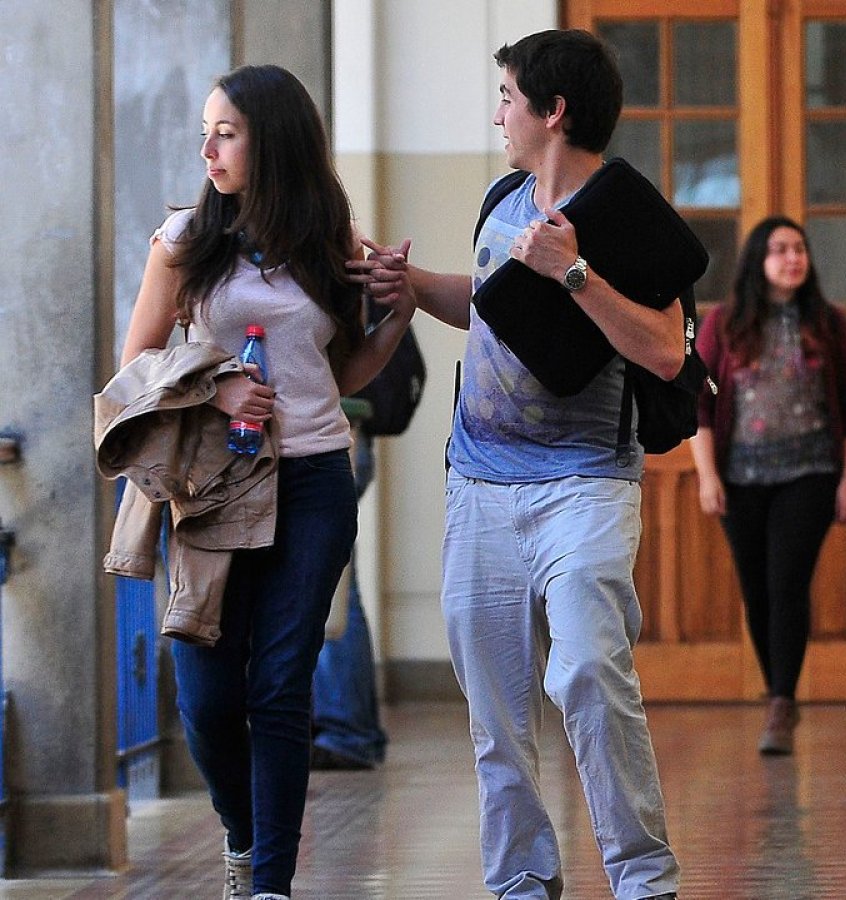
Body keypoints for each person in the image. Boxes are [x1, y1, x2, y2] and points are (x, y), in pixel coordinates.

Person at [349, 29, 680, 900]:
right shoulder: (504, 196)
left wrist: (576, 274)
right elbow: (492, 306)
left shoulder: (624, 218)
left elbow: (667, 351)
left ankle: (644, 879)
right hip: (481, 488)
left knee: (586, 673)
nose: (498, 112)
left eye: (506, 96)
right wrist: (412, 285)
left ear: (552, 109)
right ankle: (522, 882)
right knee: (496, 715)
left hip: (586, 486)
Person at [117, 65, 415, 900]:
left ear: (272, 140)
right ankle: (244, 838)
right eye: (206, 132)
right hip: (213, 485)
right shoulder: (184, 241)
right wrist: (214, 387)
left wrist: (397, 312)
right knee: (207, 699)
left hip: (315, 476)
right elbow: (136, 364)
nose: (207, 148)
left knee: (281, 685)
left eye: (227, 132)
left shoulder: (329, 238)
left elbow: (346, 365)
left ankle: (273, 885)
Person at [688, 216, 846, 755]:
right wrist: (707, 476)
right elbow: (698, 401)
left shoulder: (828, 322)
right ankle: (777, 693)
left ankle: (782, 703)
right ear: (758, 261)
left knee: (787, 583)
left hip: (810, 474)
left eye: (800, 249)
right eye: (780, 250)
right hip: (740, 478)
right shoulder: (724, 323)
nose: (793, 258)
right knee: (757, 590)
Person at [309, 428, 389, 771]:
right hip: (341, 435)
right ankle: (352, 729)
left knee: (329, 590)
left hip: (326, 437)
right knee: (335, 586)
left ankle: (347, 731)